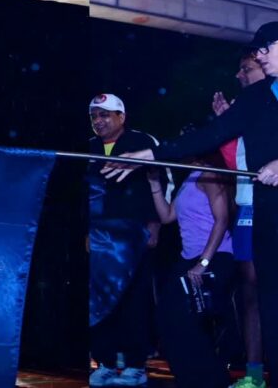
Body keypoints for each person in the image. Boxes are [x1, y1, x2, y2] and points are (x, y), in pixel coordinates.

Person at [103, 21, 278, 388]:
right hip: (273, 224)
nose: (260, 56)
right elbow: (209, 135)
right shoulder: (254, 97)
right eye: (257, 51)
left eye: (266, 48)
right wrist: (150, 154)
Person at [87, 94, 161, 387]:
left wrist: (155, 223)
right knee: (101, 299)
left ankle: (135, 365)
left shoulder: (142, 142)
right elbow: (84, 195)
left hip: (134, 235)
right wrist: (86, 232)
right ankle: (105, 362)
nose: (98, 121)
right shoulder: (89, 148)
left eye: (105, 114)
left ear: (122, 116)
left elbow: (161, 181)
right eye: (94, 116)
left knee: (135, 299)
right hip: (100, 238)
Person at [147, 155, 235, 388]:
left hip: (214, 256)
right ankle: (192, 380)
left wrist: (204, 262)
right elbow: (167, 216)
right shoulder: (188, 176)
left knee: (184, 320)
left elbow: (222, 219)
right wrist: (154, 183)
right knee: (168, 317)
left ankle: (214, 381)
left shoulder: (209, 173)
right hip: (189, 258)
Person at [212, 52, 267, 388]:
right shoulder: (243, 108)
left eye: (246, 69)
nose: (239, 75)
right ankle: (255, 374)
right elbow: (238, 166)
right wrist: (225, 126)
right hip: (248, 208)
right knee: (250, 293)